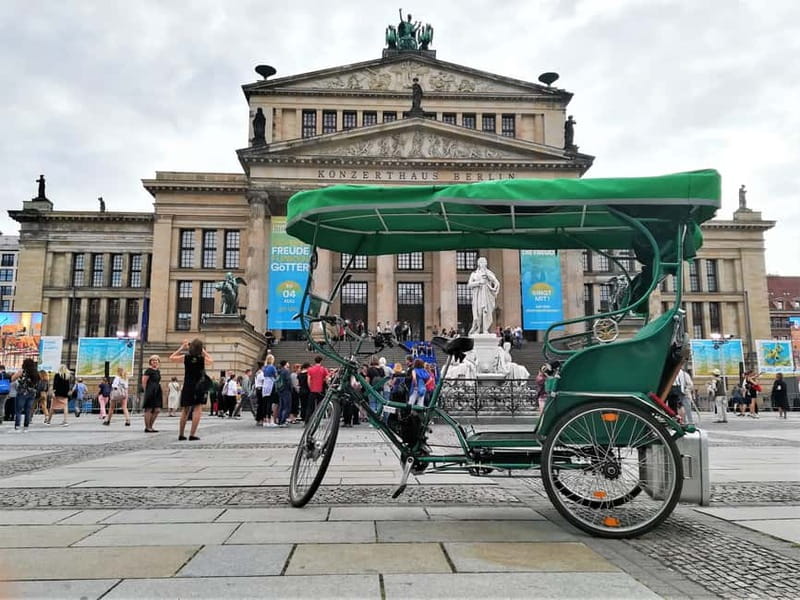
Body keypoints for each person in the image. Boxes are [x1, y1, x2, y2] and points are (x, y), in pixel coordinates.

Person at [170, 338, 213, 441]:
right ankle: (192, 434)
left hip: (188, 385)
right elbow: (211, 360)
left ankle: (181, 434)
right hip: (199, 386)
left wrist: (182, 347)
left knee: (185, 410)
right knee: (197, 408)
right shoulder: (202, 359)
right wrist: (203, 351)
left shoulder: (186, 358)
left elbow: (171, 358)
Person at [467, 257, 500, 334]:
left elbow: (496, 282)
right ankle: (478, 329)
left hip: (486, 295)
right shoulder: (474, 274)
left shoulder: (488, 273)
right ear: (478, 264)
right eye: (481, 262)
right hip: (478, 296)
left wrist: (494, 287)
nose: (483, 264)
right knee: (479, 312)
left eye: (485, 262)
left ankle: (485, 329)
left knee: (486, 311)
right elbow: (469, 285)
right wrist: (479, 283)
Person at [12, 358, 40, 432]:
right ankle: (26, 427)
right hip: (32, 394)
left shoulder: (22, 371)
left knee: (18, 410)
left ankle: (17, 427)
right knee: (28, 411)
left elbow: (12, 378)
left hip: (22, 393)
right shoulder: (36, 373)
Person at [141, 355, 163, 433]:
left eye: (156, 360)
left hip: (157, 390)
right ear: (150, 362)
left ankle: (150, 426)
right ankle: (147, 427)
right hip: (150, 390)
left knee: (157, 409)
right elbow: (144, 382)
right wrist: (146, 392)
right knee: (149, 409)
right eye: (153, 360)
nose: (155, 361)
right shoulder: (148, 371)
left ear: (158, 362)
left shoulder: (158, 371)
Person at [261, 354, 278, 427]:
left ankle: (265, 420)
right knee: (270, 403)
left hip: (265, 385)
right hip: (271, 384)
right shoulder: (272, 367)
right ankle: (270, 420)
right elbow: (276, 376)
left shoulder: (264, 368)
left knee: (265, 403)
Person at [276, 360, 293, 426]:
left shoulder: (279, 371)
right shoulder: (286, 371)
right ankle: (283, 421)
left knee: (281, 406)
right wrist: (291, 389)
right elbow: (288, 381)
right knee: (287, 406)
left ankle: (280, 420)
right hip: (286, 390)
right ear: (285, 364)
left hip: (280, 390)